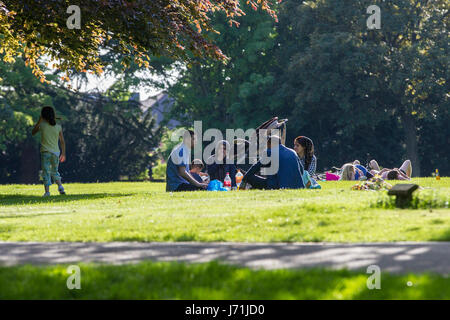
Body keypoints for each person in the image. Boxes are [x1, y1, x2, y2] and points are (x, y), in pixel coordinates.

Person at [31, 106, 66, 197]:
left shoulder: (42, 125)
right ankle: (60, 186)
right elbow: (62, 141)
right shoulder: (58, 127)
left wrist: (39, 121)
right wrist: (63, 153)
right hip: (56, 152)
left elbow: (33, 132)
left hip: (45, 152)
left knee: (46, 172)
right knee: (55, 171)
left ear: (43, 116)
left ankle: (47, 192)